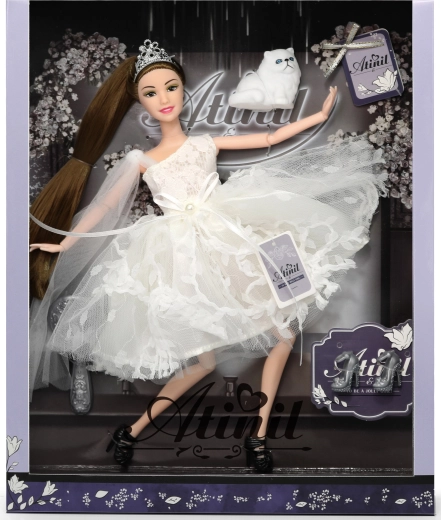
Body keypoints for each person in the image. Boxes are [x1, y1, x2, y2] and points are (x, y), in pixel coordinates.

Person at [29, 40, 386, 473]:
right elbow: (105, 205)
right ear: (140, 101)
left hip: (232, 234)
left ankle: (257, 437)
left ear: (184, 90)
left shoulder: (203, 144)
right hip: (183, 255)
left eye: (171, 87)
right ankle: (131, 431)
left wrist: (317, 116)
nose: (164, 98)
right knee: (204, 361)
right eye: (151, 92)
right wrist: (65, 242)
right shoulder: (142, 160)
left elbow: (268, 138)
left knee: (283, 333)